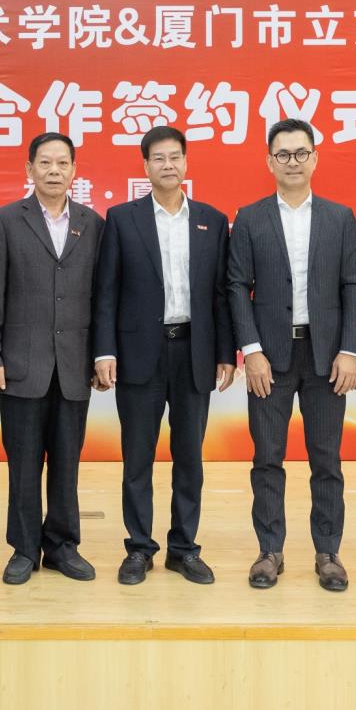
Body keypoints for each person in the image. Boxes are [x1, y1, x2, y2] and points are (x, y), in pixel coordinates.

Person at [228, 119, 356, 592]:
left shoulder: (339, 217)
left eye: (301, 152)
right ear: (269, 162)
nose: (293, 161)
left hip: (327, 358)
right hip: (269, 358)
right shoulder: (250, 218)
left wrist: (350, 350)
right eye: (283, 154)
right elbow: (236, 286)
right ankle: (270, 550)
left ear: (315, 158)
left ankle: (328, 552)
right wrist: (251, 351)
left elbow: (354, 285)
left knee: (326, 459)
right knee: (267, 457)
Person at [93, 126, 235, 586]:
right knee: (137, 457)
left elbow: (220, 294)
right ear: (146, 166)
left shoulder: (212, 220)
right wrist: (104, 350)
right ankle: (139, 548)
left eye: (175, 157)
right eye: (159, 158)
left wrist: (225, 352)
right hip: (139, 354)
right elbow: (106, 291)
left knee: (189, 457)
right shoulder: (122, 218)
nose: (168, 165)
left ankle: (184, 548)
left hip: (194, 351)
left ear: (186, 163)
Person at [0, 133, 104, 585]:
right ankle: (24, 548)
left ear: (74, 170)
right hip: (20, 364)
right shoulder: (6, 220)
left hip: (74, 364)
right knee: (24, 462)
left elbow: (102, 297)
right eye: (45, 163)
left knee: (67, 462)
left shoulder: (92, 223)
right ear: (29, 169)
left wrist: (101, 354)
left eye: (62, 163)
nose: (54, 170)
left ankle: (63, 546)